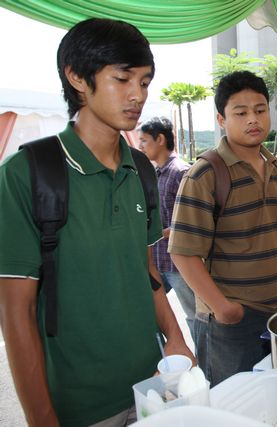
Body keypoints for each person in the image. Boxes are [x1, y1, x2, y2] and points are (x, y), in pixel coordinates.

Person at [0, 18, 194, 427]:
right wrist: (41, 416)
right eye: (122, 79)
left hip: (154, 386)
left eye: (144, 82)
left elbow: (147, 271)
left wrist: (176, 339)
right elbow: (17, 309)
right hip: (79, 405)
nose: (137, 95)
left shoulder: (141, 168)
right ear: (77, 78)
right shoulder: (27, 173)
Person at [168, 71, 277, 386]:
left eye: (260, 110)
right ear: (221, 119)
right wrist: (222, 307)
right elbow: (182, 252)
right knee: (233, 403)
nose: (253, 119)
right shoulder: (205, 174)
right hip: (230, 321)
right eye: (240, 113)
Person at [139, 117, 196, 341]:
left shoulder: (180, 172)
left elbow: (191, 221)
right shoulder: (157, 172)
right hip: (158, 261)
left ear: (160, 139)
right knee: (148, 312)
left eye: (144, 140)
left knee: (195, 316)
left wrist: (156, 234)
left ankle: (203, 361)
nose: (140, 146)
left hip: (179, 263)